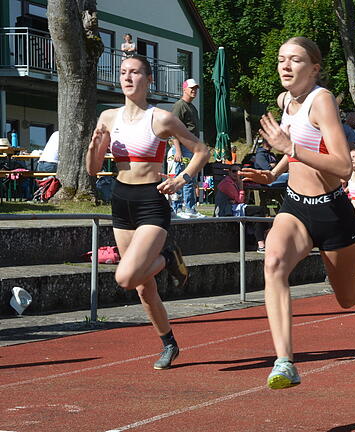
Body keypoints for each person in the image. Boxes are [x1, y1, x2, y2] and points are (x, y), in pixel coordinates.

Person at [238, 37, 355, 390]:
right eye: (281, 59)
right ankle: (285, 362)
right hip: (296, 205)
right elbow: (296, 141)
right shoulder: (286, 101)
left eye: (294, 60)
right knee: (274, 263)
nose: (284, 65)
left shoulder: (321, 100)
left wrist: (289, 148)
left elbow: (343, 167)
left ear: (314, 68)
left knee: (347, 297)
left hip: (333, 212)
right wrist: (274, 172)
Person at [85, 55, 209, 370]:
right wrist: (93, 147)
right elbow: (93, 169)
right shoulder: (108, 117)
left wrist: (182, 179)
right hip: (121, 199)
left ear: (148, 79)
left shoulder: (161, 118)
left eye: (135, 72)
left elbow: (201, 151)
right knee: (143, 285)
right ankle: (169, 344)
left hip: (151, 201)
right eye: (124, 72)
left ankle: (168, 257)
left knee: (125, 277)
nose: (128, 77)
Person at [168, 78, 204, 218]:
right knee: (183, 178)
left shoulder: (192, 107)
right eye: (191, 88)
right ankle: (179, 209)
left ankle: (189, 208)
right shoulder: (179, 106)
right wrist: (177, 150)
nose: (194, 91)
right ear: (184, 89)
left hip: (192, 148)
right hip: (182, 148)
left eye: (195, 88)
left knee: (190, 179)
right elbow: (173, 129)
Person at [215, 164, 268, 251]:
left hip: (235, 208)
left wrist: (235, 199)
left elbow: (238, 201)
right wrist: (241, 187)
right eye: (234, 171)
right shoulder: (227, 183)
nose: (237, 173)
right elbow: (240, 200)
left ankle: (260, 244)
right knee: (260, 210)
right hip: (226, 210)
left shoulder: (234, 182)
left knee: (256, 215)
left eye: (239, 171)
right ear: (229, 172)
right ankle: (264, 236)